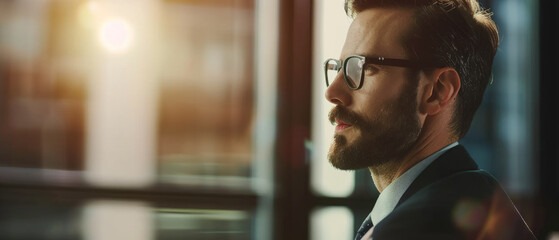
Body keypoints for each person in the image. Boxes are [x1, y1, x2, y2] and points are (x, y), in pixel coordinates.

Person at [323, 0, 536, 239]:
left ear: (438, 91)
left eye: (362, 67)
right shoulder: (474, 198)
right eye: (340, 67)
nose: (332, 93)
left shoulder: (419, 228)